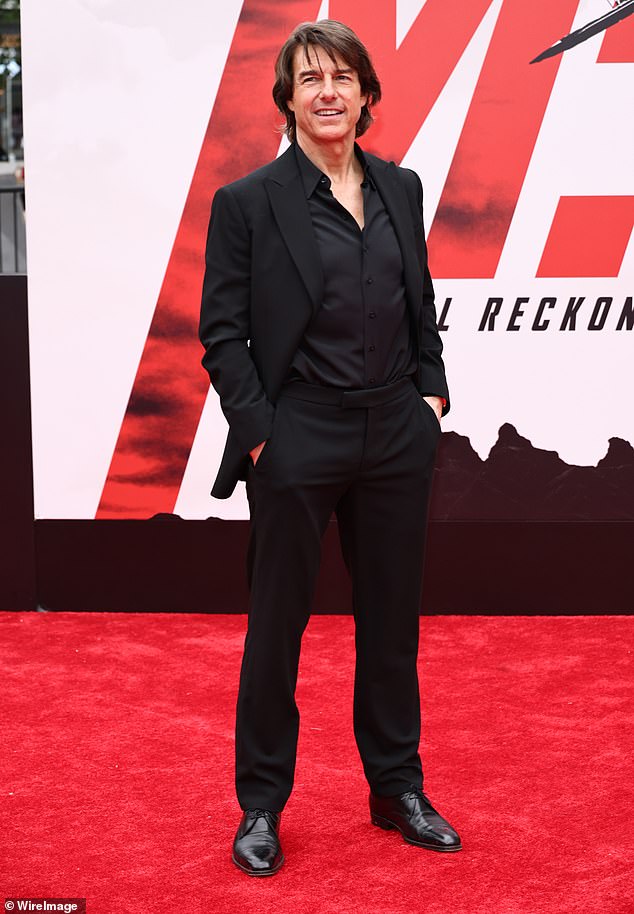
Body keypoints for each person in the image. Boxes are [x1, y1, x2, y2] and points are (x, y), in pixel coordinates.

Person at [199, 19, 461, 876]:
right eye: (310, 78)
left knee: (391, 626)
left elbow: (419, 299)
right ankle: (261, 805)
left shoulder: (401, 188)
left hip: (395, 432)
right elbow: (222, 333)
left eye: (343, 77)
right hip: (298, 432)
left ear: (366, 94)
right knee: (277, 628)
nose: (327, 92)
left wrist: (431, 396)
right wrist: (263, 436)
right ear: (287, 98)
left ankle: (397, 788)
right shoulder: (247, 203)